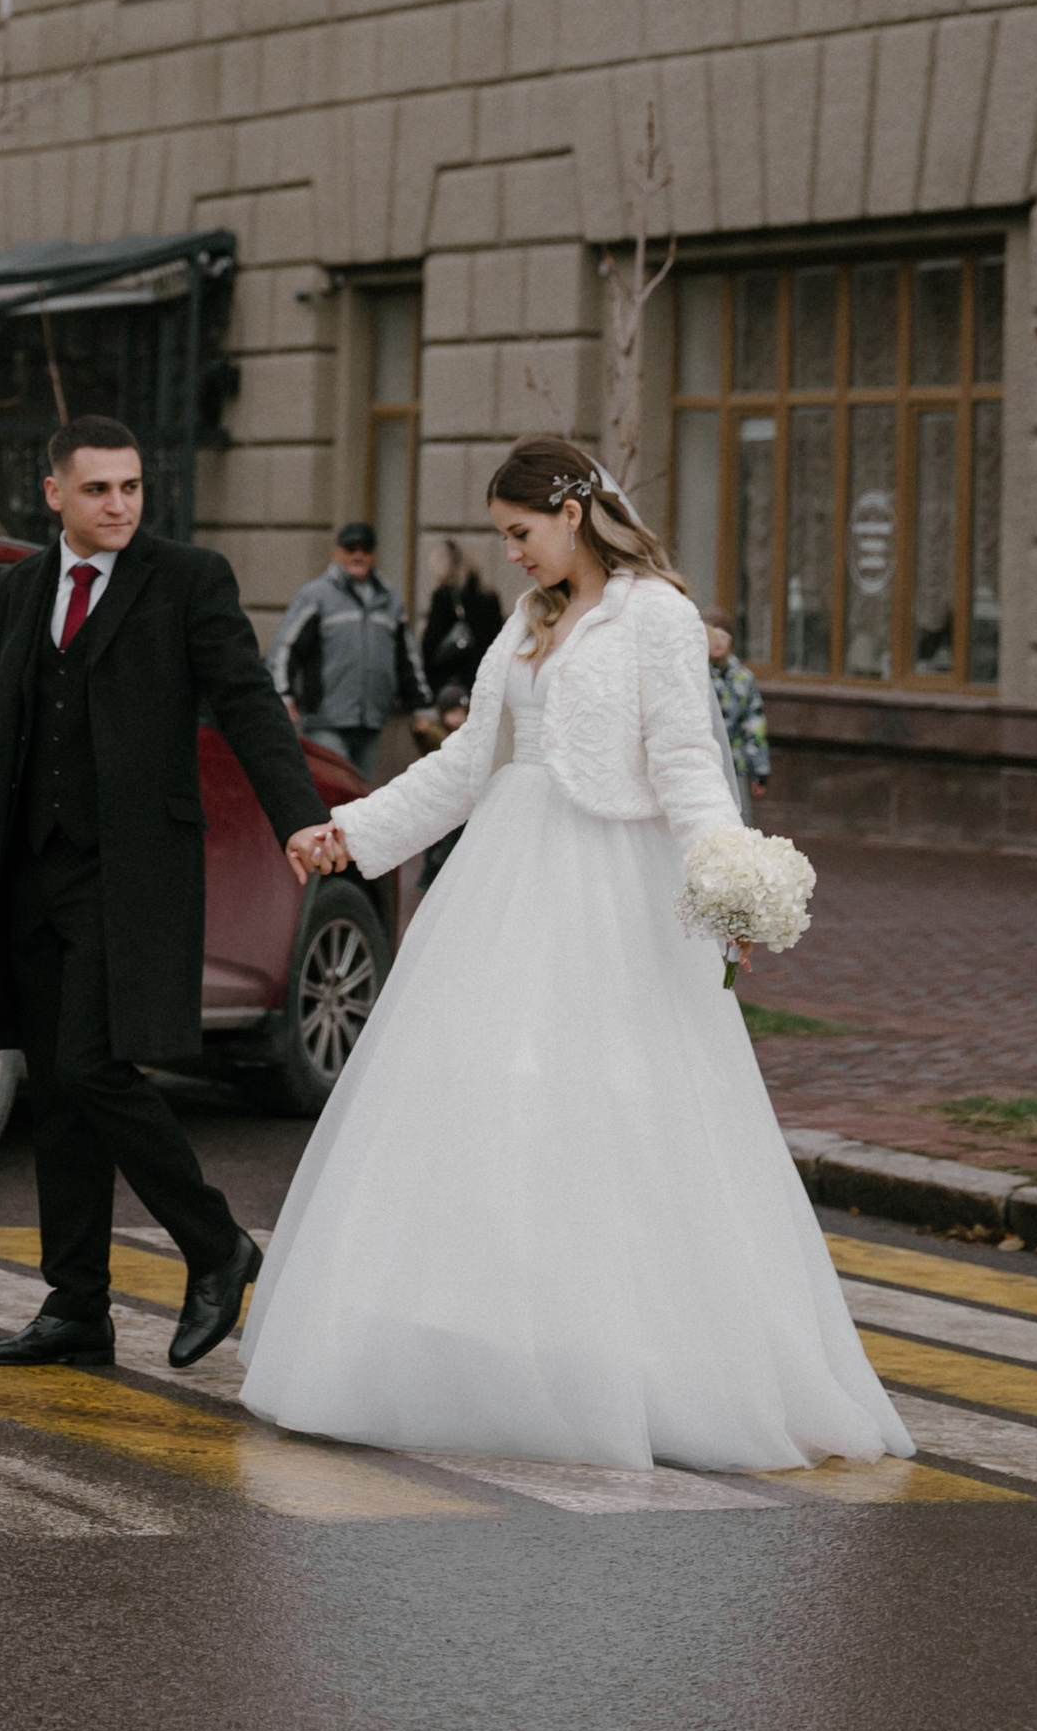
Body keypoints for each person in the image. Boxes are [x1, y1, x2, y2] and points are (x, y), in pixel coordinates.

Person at [236, 435, 910, 1475]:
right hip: (503, 881)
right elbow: (468, 761)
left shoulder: (657, 617)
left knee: (615, 1109)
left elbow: (688, 763)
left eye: (520, 533)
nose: (510, 556)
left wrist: (724, 873)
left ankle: (631, 1361)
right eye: (504, 539)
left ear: (572, 512)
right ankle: (490, 1350)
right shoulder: (528, 618)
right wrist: (352, 830)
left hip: (609, 891)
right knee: (485, 1105)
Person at [0, 416, 322, 1376]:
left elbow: (248, 701)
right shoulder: (15, 591)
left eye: (131, 487)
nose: (120, 504)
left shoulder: (188, 580)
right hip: (31, 869)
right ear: (56, 495)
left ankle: (217, 1246)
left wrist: (297, 816)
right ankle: (76, 1304)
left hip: (131, 872)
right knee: (57, 1087)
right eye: (98, 490)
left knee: (94, 1066)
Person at [268, 521, 429, 783]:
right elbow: (285, 647)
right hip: (325, 720)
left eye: (365, 549)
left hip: (372, 721)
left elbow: (407, 658)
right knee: (334, 788)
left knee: (359, 796)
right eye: (350, 548)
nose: (358, 555)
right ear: (337, 552)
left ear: (374, 554)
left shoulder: (390, 600)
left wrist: (421, 706)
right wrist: (282, 694)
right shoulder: (316, 596)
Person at [419, 537, 502, 730]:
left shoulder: (443, 597)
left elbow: (430, 645)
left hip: (451, 691)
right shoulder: (489, 597)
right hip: (483, 687)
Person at [704, 614, 771, 824]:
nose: (716, 643)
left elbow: (754, 725)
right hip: (705, 762)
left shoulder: (743, 678)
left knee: (739, 822)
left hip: (736, 764)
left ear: (731, 640)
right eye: (710, 636)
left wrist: (759, 771)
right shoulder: (695, 673)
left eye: (721, 636)